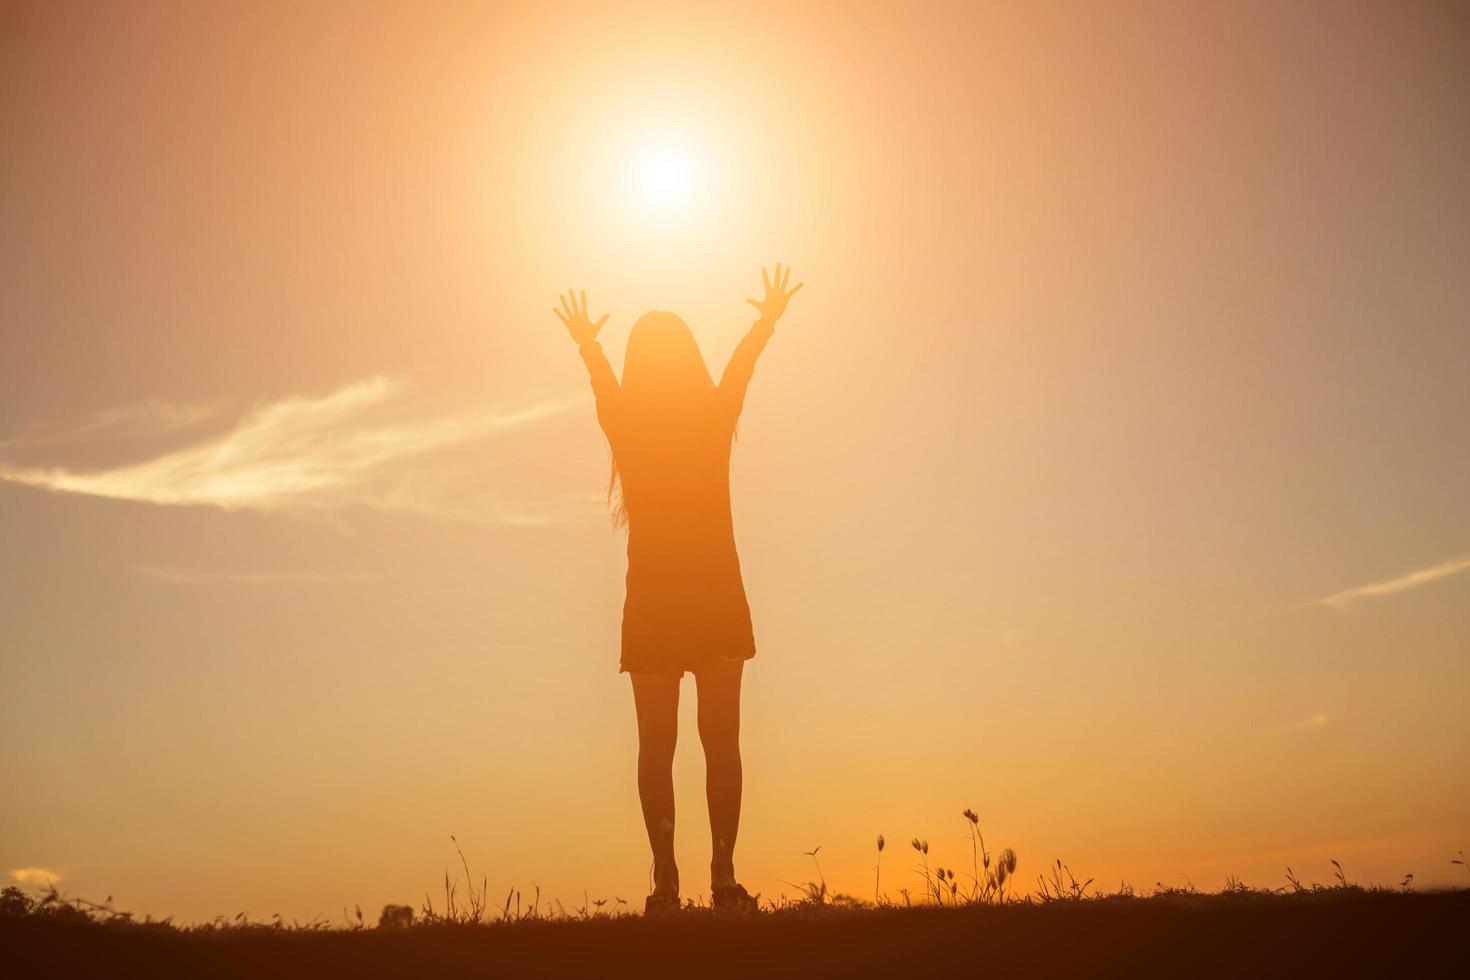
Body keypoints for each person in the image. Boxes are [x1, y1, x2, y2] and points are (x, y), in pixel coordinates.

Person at [553, 265, 803, 915]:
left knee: (656, 747)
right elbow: (741, 371)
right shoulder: (712, 417)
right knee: (720, 742)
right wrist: (766, 319)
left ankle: (666, 882)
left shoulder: (629, 428)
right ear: (691, 360)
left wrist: (588, 343)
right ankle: (722, 878)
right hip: (715, 594)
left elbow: (603, 386)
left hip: (656, 603)